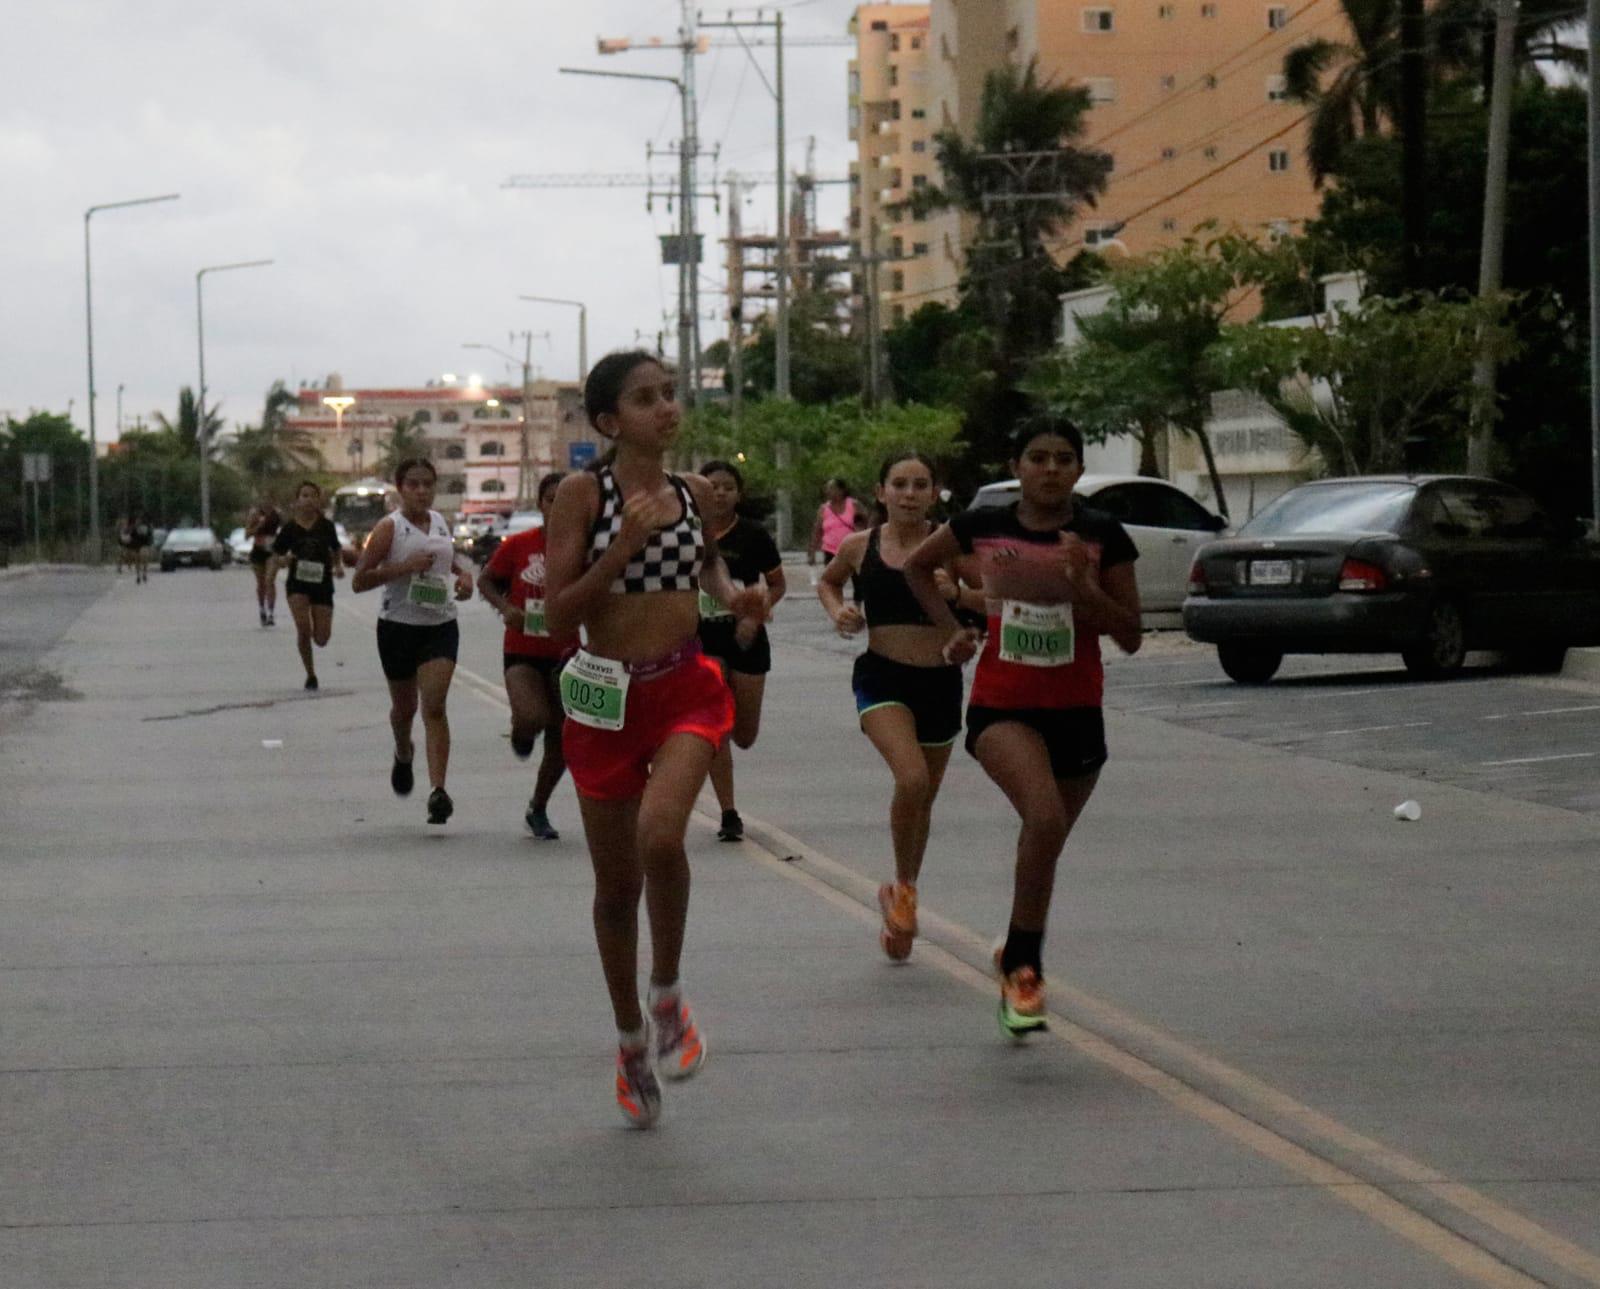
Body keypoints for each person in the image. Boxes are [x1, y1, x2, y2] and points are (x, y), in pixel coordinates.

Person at [544, 350, 766, 1128]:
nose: (666, 408)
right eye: (646, 398)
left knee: (661, 835)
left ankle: (666, 993)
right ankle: (631, 1040)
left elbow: (707, 570)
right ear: (609, 421)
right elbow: (560, 614)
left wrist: (740, 599)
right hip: (604, 697)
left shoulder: (691, 493)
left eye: (670, 394)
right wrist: (619, 547)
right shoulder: (581, 494)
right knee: (615, 890)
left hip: (682, 687)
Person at [903, 417, 1141, 1039]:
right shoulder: (984, 527)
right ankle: (1026, 972)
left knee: (1045, 844)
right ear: (1019, 466)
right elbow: (915, 568)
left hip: (1077, 711)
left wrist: (1083, 585)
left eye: (1065, 458)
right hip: (1002, 704)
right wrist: (950, 629)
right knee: (1044, 819)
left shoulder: (1101, 533)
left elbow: (1132, 636)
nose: (1052, 468)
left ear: (1079, 470)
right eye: (1038, 457)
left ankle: (1014, 946)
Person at [817, 452, 980, 962]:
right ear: (881, 492)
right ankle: (903, 891)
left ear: (934, 493)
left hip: (941, 682)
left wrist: (960, 593)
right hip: (882, 676)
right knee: (910, 780)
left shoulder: (951, 546)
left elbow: (990, 596)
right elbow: (828, 580)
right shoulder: (859, 545)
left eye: (920, 485)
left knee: (923, 798)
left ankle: (903, 891)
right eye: (899, 484)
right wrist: (839, 610)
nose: (909, 493)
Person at [351, 459, 475, 826]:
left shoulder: (439, 522)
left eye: (427, 484)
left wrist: (463, 577)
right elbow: (360, 580)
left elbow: (445, 562)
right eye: (414, 485)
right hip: (398, 627)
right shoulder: (389, 528)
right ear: (400, 489)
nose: (421, 491)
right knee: (404, 709)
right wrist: (404, 567)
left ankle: (438, 791)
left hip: (439, 625)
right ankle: (403, 751)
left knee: (434, 706)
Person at [477, 472, 577, 841]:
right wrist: (506, 608)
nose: (558, 507)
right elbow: (485, 581)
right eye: (552, 499)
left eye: (566, 500)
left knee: (563, 737)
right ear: (541, 504)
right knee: (533, 716)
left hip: (567, 653)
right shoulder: (520, 544)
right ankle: (522, 731)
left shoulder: (583, 549)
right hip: (522, 648)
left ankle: (538, 806)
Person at [695, 460, 786, 843]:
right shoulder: (688, 534)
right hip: (702, 637)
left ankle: (729, 728)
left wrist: (758, 614)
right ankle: (729, 812)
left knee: (744, 735)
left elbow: (777, 585)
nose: (719, 493)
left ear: (739, 493)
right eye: (712, 486)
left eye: (727, 487)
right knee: (716, 724)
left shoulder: (753, 535)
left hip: (747, 636)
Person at [272, 481, 344, 691]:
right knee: (303, 630)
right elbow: (276, 555)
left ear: (318, 500)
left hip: (322, 583)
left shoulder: (326, 526)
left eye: (313, 495)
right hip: (297, 584)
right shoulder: (289, 529)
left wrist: (338, 566)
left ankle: (317, 632)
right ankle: (310, 674)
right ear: (296, 501)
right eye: (304, 495)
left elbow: (336, 548)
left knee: (321, 639)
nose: (308, 499)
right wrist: (284, 561)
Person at [807, 476, 864, 566]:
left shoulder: (854, 504)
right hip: (830, 551)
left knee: (858, 579)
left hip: (852, 550)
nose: (828, 491)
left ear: (842, 490)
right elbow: (817, 532)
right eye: (827, 488)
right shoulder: (823, 509)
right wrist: (812, 553)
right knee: (833, 579)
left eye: (832, 488)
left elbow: (866, 525)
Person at [245, 496, 283, 625]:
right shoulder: (255, 515)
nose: (268, 503)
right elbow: (247, 535)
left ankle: (271, 613)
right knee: (261, 584)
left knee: (269, 581)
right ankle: (262, 610)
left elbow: (284, 531)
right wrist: (258, 525)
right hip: (258, 551)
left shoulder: (277, 515)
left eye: (270, 501)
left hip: (272, 552)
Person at [128, 512, 154, 584]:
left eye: (139, 520)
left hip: (144, 545)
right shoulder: (134, 528)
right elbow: (131, 537)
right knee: (137, 561)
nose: (138, 521)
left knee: (144, 558)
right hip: (136, 546)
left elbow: (150, 536)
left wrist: (150, 545)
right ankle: (138, 576)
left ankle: (144, 573)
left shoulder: (147, 526)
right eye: (137, 520)